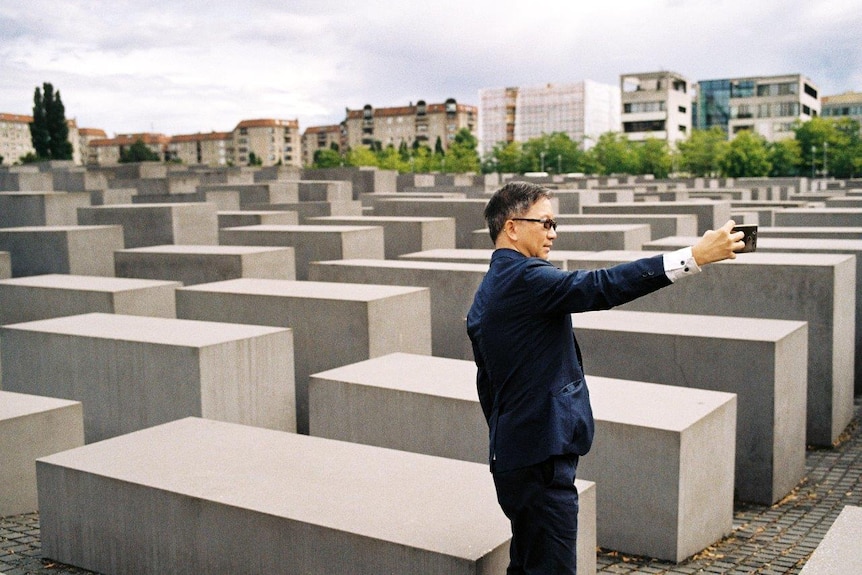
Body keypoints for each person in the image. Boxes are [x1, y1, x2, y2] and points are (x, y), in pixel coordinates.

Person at [466, 181, 744, 574]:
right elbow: (600, 286)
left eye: (554, 223)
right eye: (545, 223)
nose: (553, 233)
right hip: (539, 458)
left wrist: (511, 434)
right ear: (512, 227)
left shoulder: (493, 284)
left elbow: (488, 385)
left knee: (529, 563)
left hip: (517, 456)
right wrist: (694, 257)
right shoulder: (525, 279)